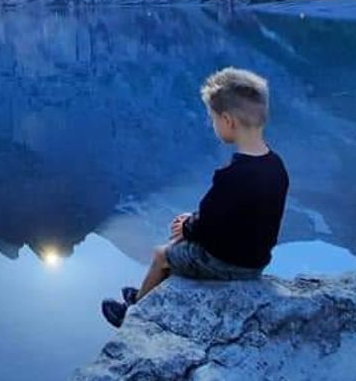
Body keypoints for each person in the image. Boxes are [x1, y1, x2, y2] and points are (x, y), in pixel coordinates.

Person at [102, 67, 288, 328]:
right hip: (256, 260)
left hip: (230, 265)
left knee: (162, 254)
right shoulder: (276, 166)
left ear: (228, 121)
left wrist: (188, 225)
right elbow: (237, 216)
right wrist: (194, 222)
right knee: (182, 242)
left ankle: (134, 312)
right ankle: (152, 293)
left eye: (213, 119)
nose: (213, 124)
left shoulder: (231, 176)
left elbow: (207, 226)